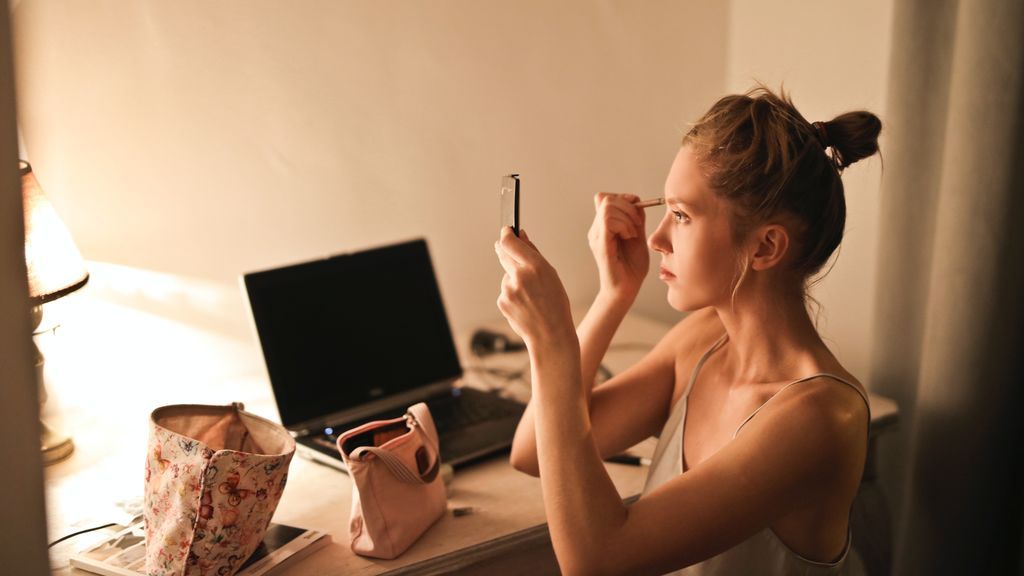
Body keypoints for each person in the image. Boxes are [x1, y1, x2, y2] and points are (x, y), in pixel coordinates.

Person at [493, 86, 882, 576]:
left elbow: (597, 561)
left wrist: (553, 345)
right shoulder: (702, 340)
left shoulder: (820, 417)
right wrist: (613, 295)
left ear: (765, 247)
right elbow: (531, 451)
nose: (656, 238)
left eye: (681, 215)